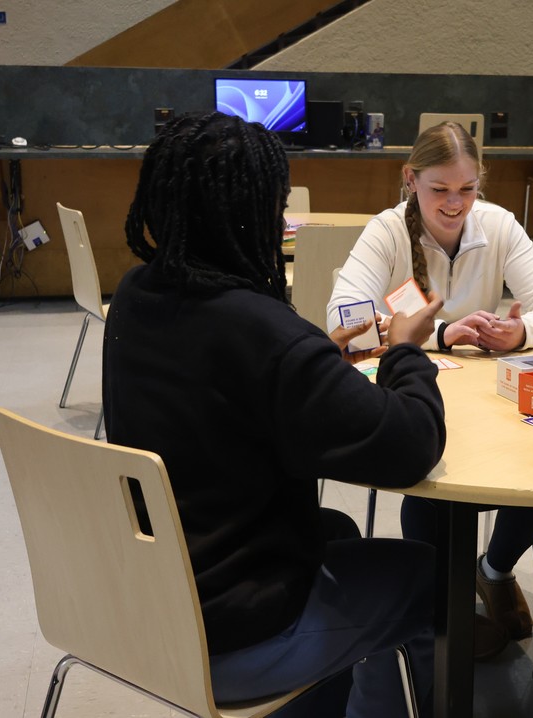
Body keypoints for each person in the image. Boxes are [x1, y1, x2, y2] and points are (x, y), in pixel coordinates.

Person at [103, 112, 447, 718]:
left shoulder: (135, 297)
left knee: (336, 531)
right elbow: (412, 443)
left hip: (151, 597)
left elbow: (232, 390)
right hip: (233, 633)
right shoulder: (263, 334)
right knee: (425, 576)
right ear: (262, 213)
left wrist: (311, 355)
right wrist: (405, 351)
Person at [326, 121, 533, 657]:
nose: (455, 203)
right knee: (429, 473)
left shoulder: (499, 225)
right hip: (417, 392)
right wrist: (437, 333)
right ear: (410, 180)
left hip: (485, 395)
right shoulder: (388, 230)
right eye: (440, 190)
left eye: (467, 189)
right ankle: (440, 597)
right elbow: (345, 320)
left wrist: (520, 331)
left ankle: (493, 568)